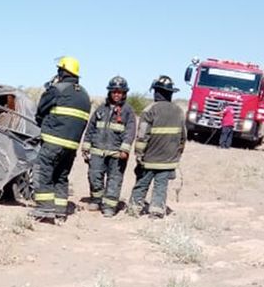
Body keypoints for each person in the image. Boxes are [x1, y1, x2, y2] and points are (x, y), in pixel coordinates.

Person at [31, 56, 91, 223]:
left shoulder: (57, 89)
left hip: (53, 142)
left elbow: (41, 111)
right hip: (71, 147)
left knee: (42, 172)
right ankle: (60, 211)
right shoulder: (84, 95)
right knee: (61, 177)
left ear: (62, 71)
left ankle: (44, 209)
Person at [129, 75, 187, 219]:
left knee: (142, 183)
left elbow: (142, 135)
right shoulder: (179, 111)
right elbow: (183, 137)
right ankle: (156, 211)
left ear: (156, 92)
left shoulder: (149, 110)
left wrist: (139, 154)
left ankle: (134, 209)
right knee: (161, 186)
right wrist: (177, 155)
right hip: (168, 160)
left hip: (149, 158)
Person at [81, 76, 136, 217]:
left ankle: (109, 207)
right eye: (114, 92)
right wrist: (86, 146)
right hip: (97, 151)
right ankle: (96, 200)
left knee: (114, 180)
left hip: (117, 154)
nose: (116, 94)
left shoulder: (128, 111)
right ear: (110, 92)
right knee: (94, 176)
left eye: (120, 92)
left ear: (124, 93)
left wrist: (125, 149)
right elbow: (90, 128)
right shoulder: (101, 109)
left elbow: (130, 132)